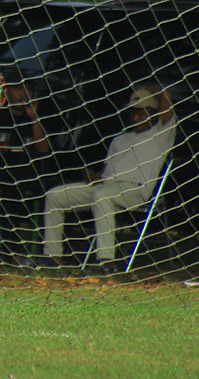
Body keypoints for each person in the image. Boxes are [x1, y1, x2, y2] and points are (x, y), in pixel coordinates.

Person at [37, 83, 176, 273]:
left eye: (142, 113)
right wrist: (94, 176)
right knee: (55, 195)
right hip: (104, 186)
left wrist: (150, 88)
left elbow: (167, 104)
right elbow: (105, 172)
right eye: (133, 113)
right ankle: (53, 256)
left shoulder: (162, 133)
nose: (136, 117)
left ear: (153, 114)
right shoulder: (119, 139)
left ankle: (106, 259)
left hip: (135, 190)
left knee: (102, 196)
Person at [0, 76, 54, 259]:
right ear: (6, 91)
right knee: (10, 191)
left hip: (30, 170)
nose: (22, 93)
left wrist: (34, 118)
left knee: (48, 187)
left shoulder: (36, 114)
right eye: (18, 89)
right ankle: (9, 248)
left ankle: (41, 249)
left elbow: (44, 150)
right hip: (4, 170)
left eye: (25, 89)